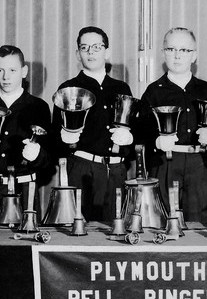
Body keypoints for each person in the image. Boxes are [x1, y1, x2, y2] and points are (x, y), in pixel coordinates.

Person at [138, 27, 207, 224]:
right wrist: (157, 141)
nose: (177, 55)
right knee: (163, 223)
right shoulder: (153, 91)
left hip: (199, 165)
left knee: (200, 225)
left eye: (184, 50)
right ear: (163, 53)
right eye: (171, 49)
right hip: (165, 163)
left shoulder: (205, 89)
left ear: (194, 56)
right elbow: (140, 132)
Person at [52, 26, 134, 221]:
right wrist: (65, 137)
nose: (90, 52)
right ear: (77, 54)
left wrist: (130, 138)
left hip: (116, 171)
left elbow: (135, 132)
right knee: (79, 228)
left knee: (115, 229)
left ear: (107, 52)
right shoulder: (68, 88)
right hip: (82, 169)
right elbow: (54, 139)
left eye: (97, 47)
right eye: (84, 47)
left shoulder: (121, 88)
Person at [0, 45, 52, 221]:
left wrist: (37, 155)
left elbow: (49, 161)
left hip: (25, 192)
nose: (5, 77)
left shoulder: (39, 108)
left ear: (24, 71)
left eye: (12, 70)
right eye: (0, 70)